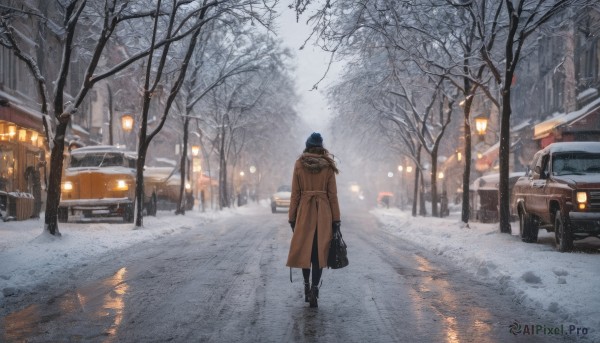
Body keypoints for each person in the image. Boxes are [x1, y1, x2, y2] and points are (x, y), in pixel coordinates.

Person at [286, 132, 341, 308]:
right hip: (323, 212)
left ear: (307, 146)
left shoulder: (299, 164)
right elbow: (333, 196)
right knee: (319, 251)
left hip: (304, 211)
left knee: (305, 251)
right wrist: (336, 219)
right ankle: (315, 288)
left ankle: (306, 286)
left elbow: (295, 194)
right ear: (321, 146)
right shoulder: (328, 166)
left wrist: (292, 217)